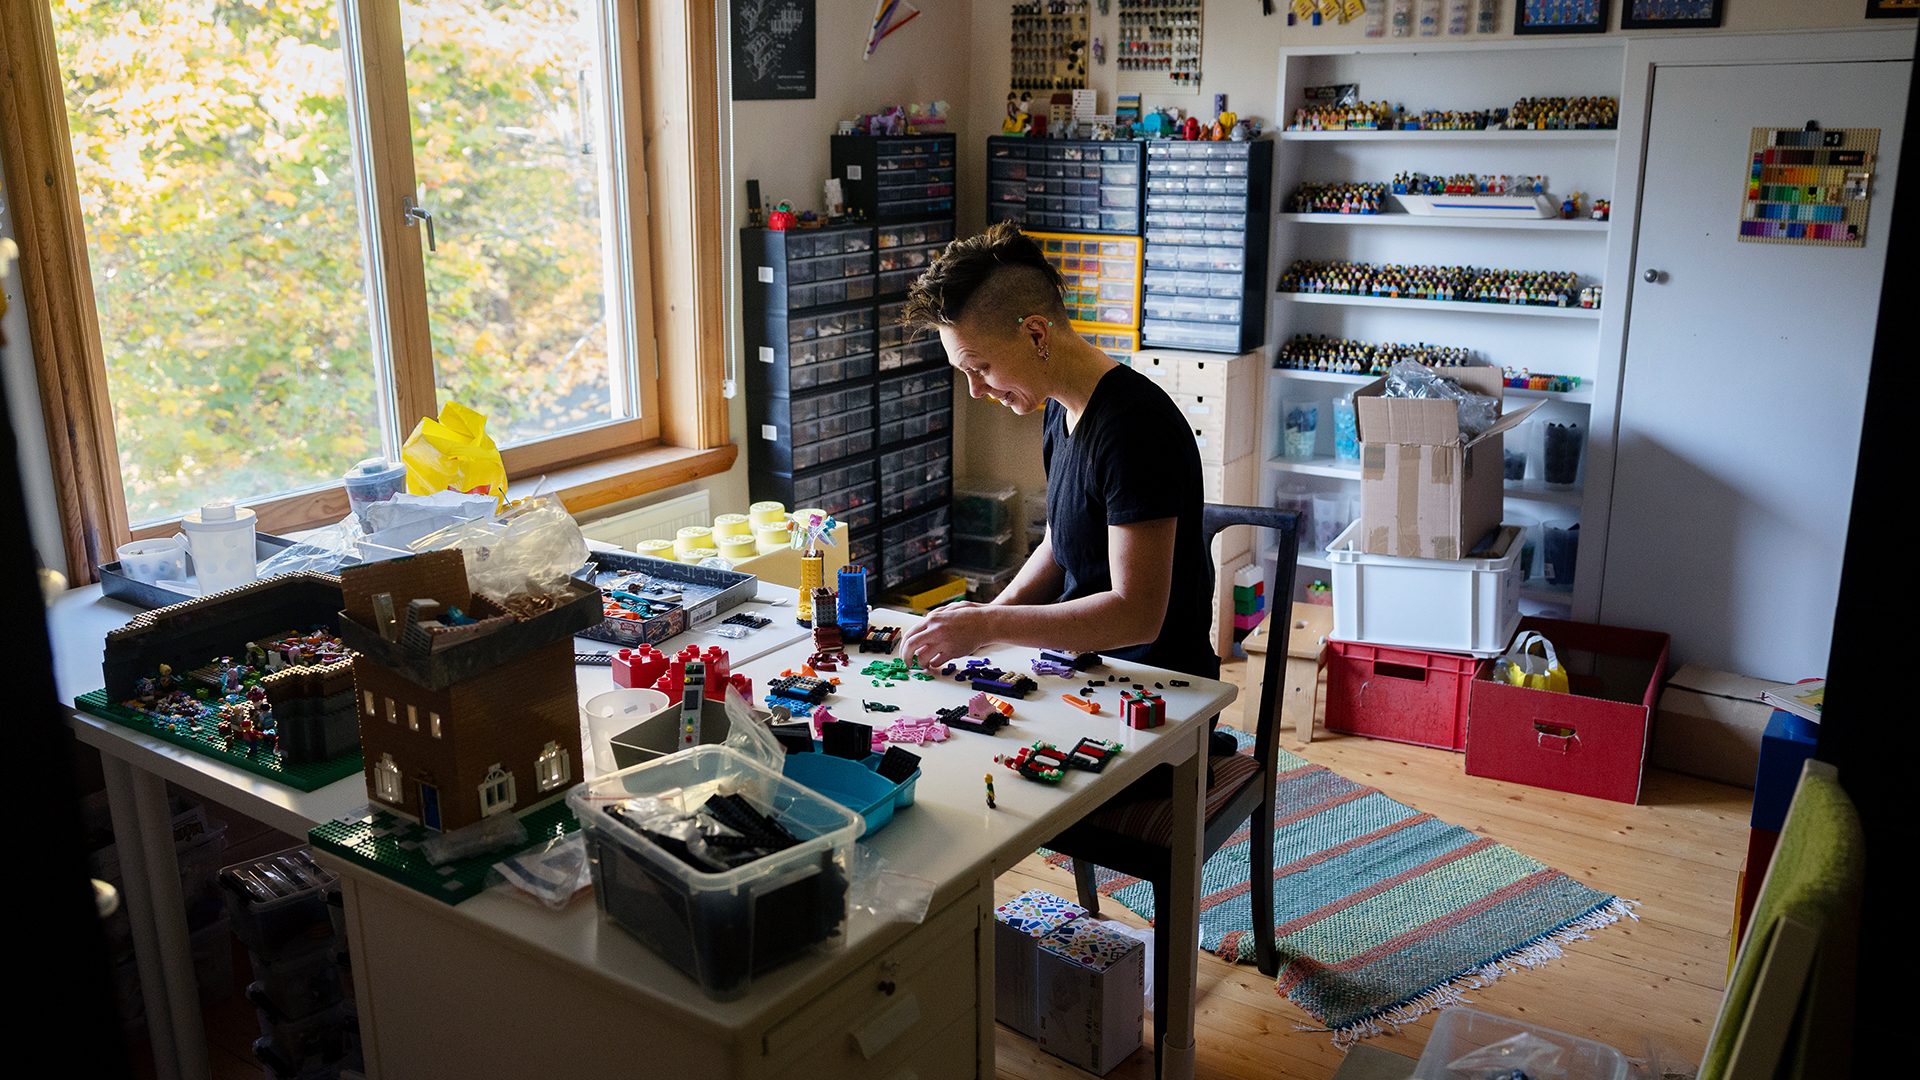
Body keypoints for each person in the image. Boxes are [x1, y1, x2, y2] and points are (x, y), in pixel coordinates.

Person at [898, 222, 1222, 706]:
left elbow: (1136, 615)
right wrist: (981, 619)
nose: (976, 390)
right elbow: (1060, 543)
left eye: (980, 368)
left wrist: (989, 624)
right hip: (1087, 668)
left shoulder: (1136, 427)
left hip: (1156, 690)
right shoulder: (1059, 407)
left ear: (1036, 334)